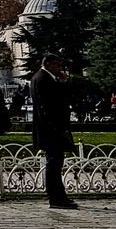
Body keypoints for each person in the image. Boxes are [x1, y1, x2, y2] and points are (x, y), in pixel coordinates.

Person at [31, 52, 77, 209]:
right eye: (57, 65)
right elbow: (47, 107)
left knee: (56, 164)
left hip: (53, 128)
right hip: (51, 130)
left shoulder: (48, 78)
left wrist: (62, 83)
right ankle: (56, 199)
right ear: (48, 64)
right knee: (53, 164)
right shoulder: (42, 79)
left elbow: (60, 99)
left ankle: (60, 196)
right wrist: (57, 128)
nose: (59, 68)